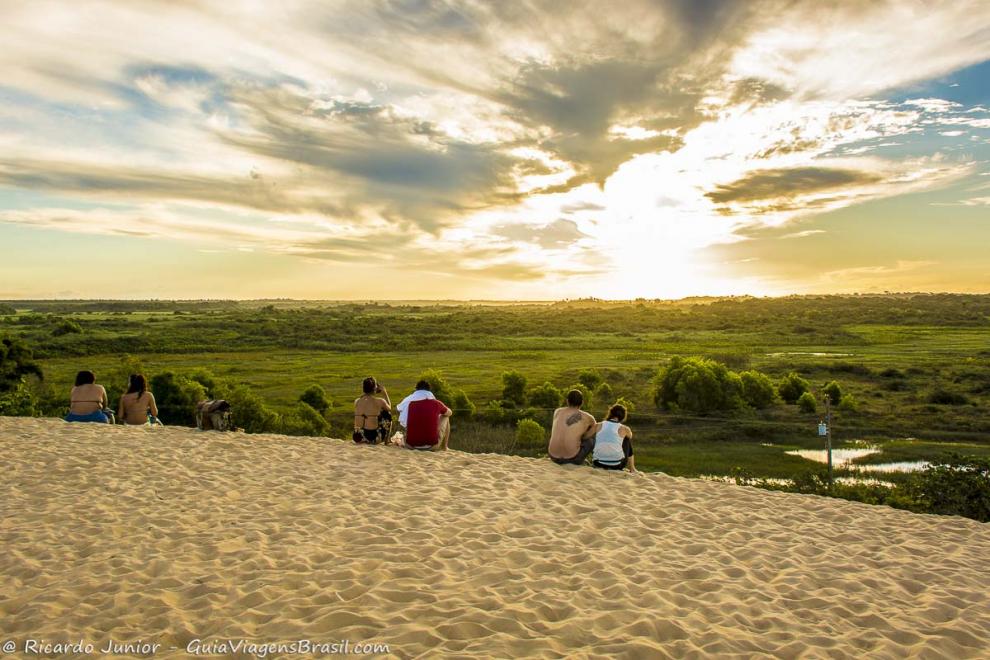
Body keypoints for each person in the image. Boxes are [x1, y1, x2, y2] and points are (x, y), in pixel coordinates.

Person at [548, 389, 597, 465]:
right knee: (591, 440)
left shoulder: (557, 411)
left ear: (567, 401)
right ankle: (583, 459)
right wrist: (581, 436)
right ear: (582, 402)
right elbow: (594, 431)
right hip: (573, 459)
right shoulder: (589, 417)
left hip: (553, 456)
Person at [592, 404, 636, 472]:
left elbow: (586, 436)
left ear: (611, 413)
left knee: (596, 436)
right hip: (617, 465)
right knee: (626, 439)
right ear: (623, 416)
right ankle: (632, 468)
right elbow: (630, 436)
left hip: (598, 463)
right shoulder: (624, 428)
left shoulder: (598, 425)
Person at [353, 377, 391, 443]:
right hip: (372, 438)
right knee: (387, 414)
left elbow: (366, 402)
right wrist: (385, 393)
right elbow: (389, 408)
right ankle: (387, 441)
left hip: (357, 437)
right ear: (374, 388)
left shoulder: (357, 401)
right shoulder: (380, 401)